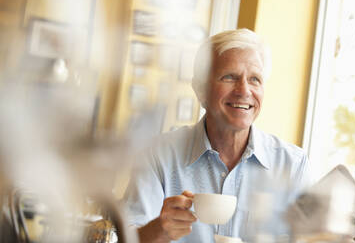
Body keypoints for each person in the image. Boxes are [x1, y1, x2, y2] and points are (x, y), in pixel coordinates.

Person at [122, 28, 310, 243]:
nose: (244, 90)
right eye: (229, 77)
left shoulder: (293, 165)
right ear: (201, 89)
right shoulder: (158, 154)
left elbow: (314, 237)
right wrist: (158, 230)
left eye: (255, 79)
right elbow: (129, 238)